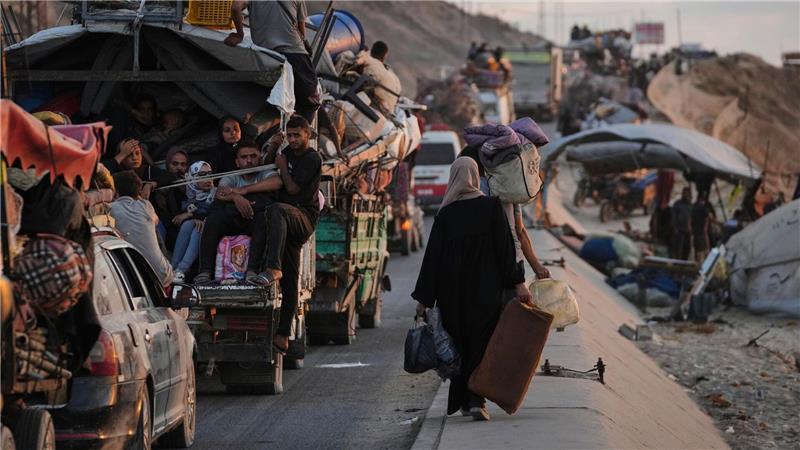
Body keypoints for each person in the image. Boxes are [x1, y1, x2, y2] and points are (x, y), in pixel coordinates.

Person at [412, 157, 530, 422]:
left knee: (459, 345)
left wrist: (424, 300)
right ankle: (476, 400)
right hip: (486, 292)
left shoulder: (446, 214)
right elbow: (505, 251)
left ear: (453, 178)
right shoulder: (491, 207)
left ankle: (464, 400)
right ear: (476, 177)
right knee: (481, 343)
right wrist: (518, 282)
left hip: (452, 295)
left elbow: (432, 259)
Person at [247, 116, 321, 355]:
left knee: (276, 209)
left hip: (302, 217)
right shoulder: (287, 151)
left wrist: (281, 166)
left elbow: (292, 189)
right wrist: (275, 149)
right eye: (289, 135)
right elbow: (269, 166)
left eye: (296, 135)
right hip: (285, 223)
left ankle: (272, 267)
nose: (293, 140)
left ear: (307, 134)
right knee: (291, 281)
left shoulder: (312, 158)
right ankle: (283, 335)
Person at [193, 142, 283, 284]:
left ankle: (252, 271)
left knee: (263, 219)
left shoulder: (265, 172)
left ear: (260, 158)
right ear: (237, 162)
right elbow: (220, 193)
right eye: (244, 157)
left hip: (253, 220)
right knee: (213, 218)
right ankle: (205, 271)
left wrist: (245, 190)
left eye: (253, 156)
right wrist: (236, 198)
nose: (249, 160)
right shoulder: (232, 176)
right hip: (232, 221)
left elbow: (277, 182)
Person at [460, 145, 551, 281]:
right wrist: (536, 265)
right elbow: (520, 231)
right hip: (511, 263)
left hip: (477, 267)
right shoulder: (508, 189)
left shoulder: (459, 197)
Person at [226, 1, 319, 123]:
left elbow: (235, 8)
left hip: (264, 50)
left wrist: (239, 34)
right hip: (294, 52)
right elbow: (301, 29)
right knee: (311, 100)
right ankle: (302, 135)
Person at [110, 170, 174, 286]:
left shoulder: (110, 209)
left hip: (135, 278)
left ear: (115, 191)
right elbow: (155, 220)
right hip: (163, 273)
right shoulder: (146, 205)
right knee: (151, 224)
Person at [170, 161, 216, 282]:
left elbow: (213, 211)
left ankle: (182, 270)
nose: (208, 178)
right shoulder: (190, 196)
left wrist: (191, 214)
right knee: (188, 224)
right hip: (198, 225)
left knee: (198, 229)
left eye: (209, 174)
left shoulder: (216, 193)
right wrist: (193, 216)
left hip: (214, 229)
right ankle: (173, 268)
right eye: (202, 174)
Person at [691, 192, 715, 263]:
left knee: (698, 251)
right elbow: (711, 218)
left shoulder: (693, 207)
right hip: (702, 234)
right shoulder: (703, 208)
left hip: (696, 233)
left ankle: (698, 265)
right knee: (703, 252)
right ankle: (702, 268)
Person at [670, 186, 693, 260]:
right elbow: (673, 217)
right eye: (684, 193)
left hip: (688, 231)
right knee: (679, 250)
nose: (686, 195)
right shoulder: (678, 204)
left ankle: (684, 264)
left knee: (687, 249)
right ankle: (677, 265)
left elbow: (692, 217)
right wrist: (675, 228)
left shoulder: (690, 205)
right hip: (679, 231)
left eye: (687, 193)